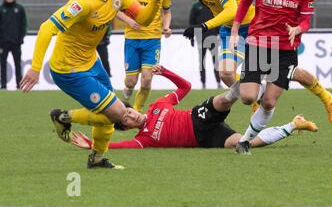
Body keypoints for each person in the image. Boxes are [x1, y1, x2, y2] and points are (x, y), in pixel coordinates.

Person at [19, 0, 164, 169]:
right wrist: (35, 68)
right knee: (116, 112)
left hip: (91, 62)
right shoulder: (84, 1)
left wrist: (154, 2)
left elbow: (143, 18)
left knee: (109, 113)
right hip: (68, 69)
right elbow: (46, 28)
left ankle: (97, 158)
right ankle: (63, 118)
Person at [230, 0, 332, 155]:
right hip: (258, 42)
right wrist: (234, 30)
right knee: (248, 96)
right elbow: (244, 2)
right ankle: (261, 91)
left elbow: (306, 18)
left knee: (269, 102)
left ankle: (245, 142)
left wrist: (299, 28)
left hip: (285, 49)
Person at [68, 65, 318, 150]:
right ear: (127, 126)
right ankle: (294, 124)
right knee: (246, 143)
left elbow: (185, 87)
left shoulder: (157, 106)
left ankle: (251, 81)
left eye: (129, 111)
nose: (132, 115)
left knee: (223, 100)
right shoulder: (143, 140)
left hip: (196, 118)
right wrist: (92, 145)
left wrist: (165, 72)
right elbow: (118, 146)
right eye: (127, 119)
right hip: (205, 139)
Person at [182, 0, 255, 88]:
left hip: (253, 27)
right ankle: (254, 99)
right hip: (229, 31)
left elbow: (232, 10)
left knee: (276, 71)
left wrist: (203, 26)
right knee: (226, 74)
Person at [116, 0, 173, 113]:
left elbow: (166, 11)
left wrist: (166, 26)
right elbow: (115, 9)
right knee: (130, 82)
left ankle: (136, 111)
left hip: (153, 40)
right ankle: (124, 100)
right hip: (132, 39)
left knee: (147, 80)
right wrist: (129, 21)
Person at [189, 0, 221, 89]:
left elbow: (218, 19)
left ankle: (218, 82)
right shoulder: (195, 5)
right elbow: (192, 22)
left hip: (212, 36)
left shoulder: (212, 4)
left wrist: (218, 34)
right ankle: (203, 83)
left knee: (216, 61)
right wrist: (191, 37)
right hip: (200, 37)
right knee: (201, 61)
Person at [0, 0, 27, 90]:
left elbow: (24, 24)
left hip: (16, 42)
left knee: (18, 65)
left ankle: (19, 85)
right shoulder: (1, 9)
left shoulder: (20, 9)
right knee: (3, 65)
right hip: (3, 43)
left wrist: (21, 38)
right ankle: (3, 86)